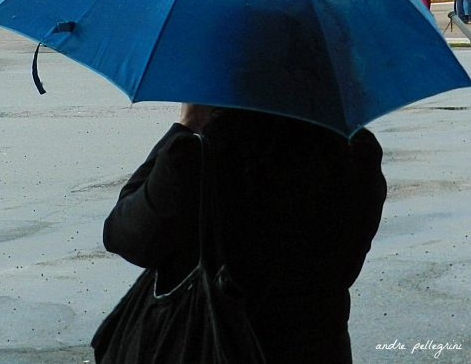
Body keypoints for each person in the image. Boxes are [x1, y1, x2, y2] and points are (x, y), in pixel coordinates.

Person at [102, 103, 385, 364]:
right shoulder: (358, 152)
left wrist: (186, 126)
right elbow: (347, 263)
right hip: (320, 349)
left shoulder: (200, 156)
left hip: (209, 348)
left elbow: (125, 235)